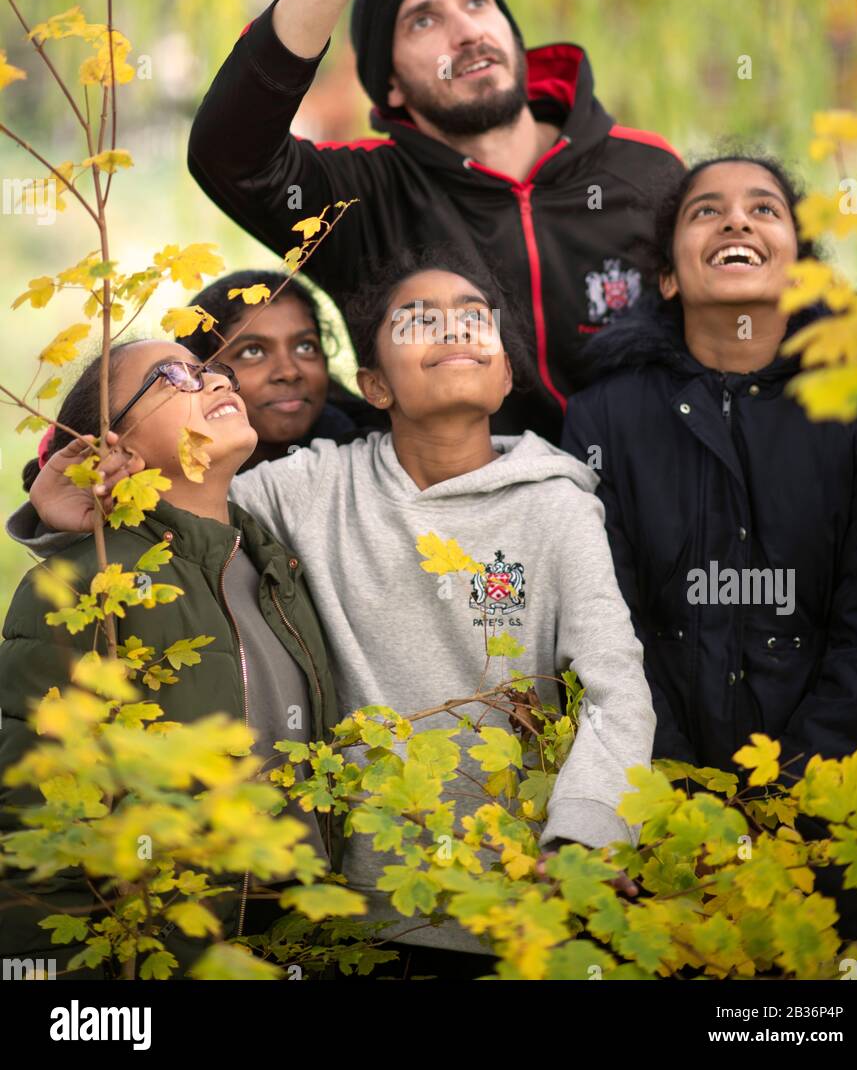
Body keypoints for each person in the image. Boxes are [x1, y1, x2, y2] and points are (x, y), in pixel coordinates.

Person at [24, 248, 656, 977]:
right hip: (348, 913)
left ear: (506, 374)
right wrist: (58, 511)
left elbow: (617, 686)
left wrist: (584, 833)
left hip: (518, 904)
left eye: (472, 319)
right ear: (374, 384)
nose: (451, 331)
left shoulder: (558, 505)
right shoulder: (307, 489)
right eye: (418, 320)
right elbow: (171, 504)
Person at [187, 0, 684, 443]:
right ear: (389, 84)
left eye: (477, 2)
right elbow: (229, 155)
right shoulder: (362, 198)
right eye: (425, 21)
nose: (467, 33)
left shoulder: (647, 169)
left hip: (657, 523)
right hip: (463, 528)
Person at [560, 154, 857, 938]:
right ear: (668, 278)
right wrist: (686, 798)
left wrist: (791, 803)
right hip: (659, 805)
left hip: (841, 806)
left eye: (763, 209)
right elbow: (610, 628)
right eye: (705, 211)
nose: (736, 220)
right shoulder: (603, 418)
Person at [0, 342, 341, 978]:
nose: (212, 379)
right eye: (174, 375)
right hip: (156, 958)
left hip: (297, 950)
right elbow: (37, 832)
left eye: (214, 371)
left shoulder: (280, 572)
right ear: (117, 449)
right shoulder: (86, 584)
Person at [181, 267, 381, 466]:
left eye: (305, 347)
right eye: (253, 351)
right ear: (198, 374)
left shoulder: (367, 453)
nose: (289, 372)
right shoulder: (166, 471)